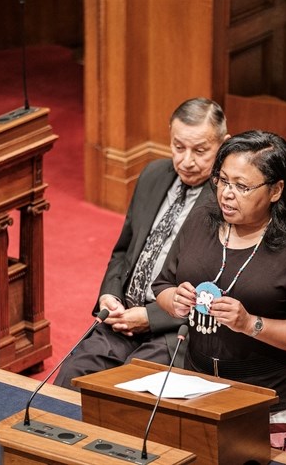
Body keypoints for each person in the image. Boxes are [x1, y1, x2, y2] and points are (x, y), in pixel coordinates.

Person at [153, 130, 286, 460]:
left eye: (242, 187)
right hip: (200, 387)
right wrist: (175, 300)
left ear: (276, 190)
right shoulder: (203, 220)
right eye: (223, 181)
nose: (227, 194)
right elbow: (163, 285)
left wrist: (250, 323)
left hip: (273, 402)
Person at [54, 97, 229, 390]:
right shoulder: (153, 175)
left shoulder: (227, 201)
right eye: (178, 147)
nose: (187, 160)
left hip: (177, 330)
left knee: (126, 391)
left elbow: (223, 285)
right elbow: (124, 250)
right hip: (122, 318)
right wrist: (109, 295)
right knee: (72, 375)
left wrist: (150, 317)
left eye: (200, 151)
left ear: (223, 144)